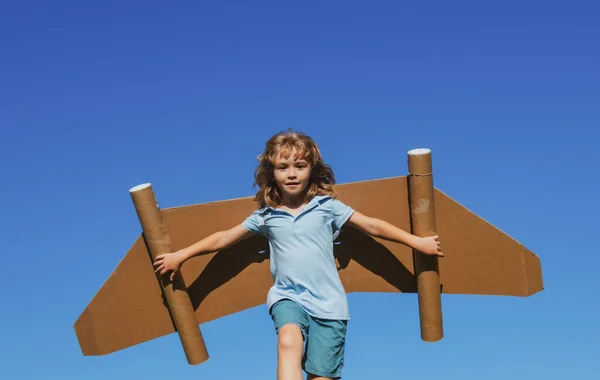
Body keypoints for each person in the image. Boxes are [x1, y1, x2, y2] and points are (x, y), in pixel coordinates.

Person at [153, 130, 444, 380]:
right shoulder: (266, 216)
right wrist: (182, 255)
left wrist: (417, 243)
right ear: (272, 174)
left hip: (330, 306)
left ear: (311, 170)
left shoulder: (326, 207)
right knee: (288, 340)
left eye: (299, 166)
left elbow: (371, 225)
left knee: (320, 375)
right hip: (288, 296)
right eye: (283, 167)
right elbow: (225, 238)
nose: (291, 174)